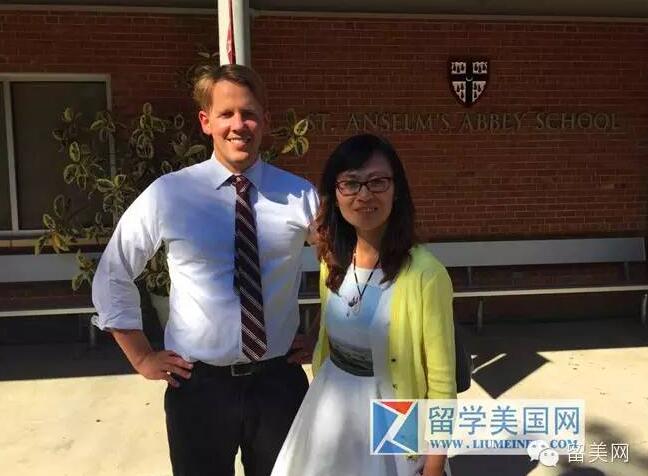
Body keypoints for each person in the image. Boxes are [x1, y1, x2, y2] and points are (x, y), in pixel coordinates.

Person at [92, 64, 319, 476]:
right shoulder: (170, 194)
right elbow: (114, 270)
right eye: (226, 113)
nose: (238, 125)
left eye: (249, 113)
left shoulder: (300, 195)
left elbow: (349, 267)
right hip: (199, 388)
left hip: (278, 384)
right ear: (206, 121)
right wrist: (141, 356)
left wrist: (324, 332)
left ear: (266, 120)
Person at [271, 133, 456, 476]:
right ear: (335, 194)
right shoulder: (332, 260)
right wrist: (317, 341)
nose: (365, 194)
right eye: (351, 183)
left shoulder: (425, 275)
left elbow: (442, 385)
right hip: (329, 410)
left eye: (377, 181)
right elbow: (335, 322)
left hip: (393, 414)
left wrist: (433, 465)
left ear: (396, 190)